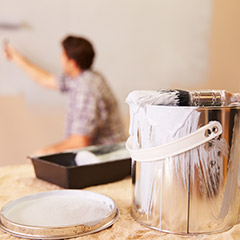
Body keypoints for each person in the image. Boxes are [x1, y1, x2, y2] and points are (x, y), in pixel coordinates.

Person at [4, 35, 126, 156]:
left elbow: (80, 141)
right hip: (98, 156)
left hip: (107, 159)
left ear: (72, 63)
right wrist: (15, 57)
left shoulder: (86, 88)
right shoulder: (82, 77)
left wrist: (44, 153)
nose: (60, 58)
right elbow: (45, 80)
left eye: (62, 55)